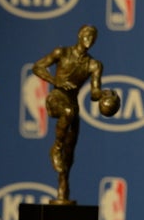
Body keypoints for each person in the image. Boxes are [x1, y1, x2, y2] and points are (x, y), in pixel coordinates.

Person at [32, 25, 118, 204]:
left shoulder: (93, 65)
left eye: (93, 37)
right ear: (79, 34)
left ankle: (63, 187)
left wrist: (105, 94)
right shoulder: (61, 53)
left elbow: (94, 93)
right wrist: (55, 80)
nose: (89, 39)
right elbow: (38, 67)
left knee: (70, 150)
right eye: (87, 35)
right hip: (56, 98)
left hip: (73, 103)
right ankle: (55, 148)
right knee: (68, 115)